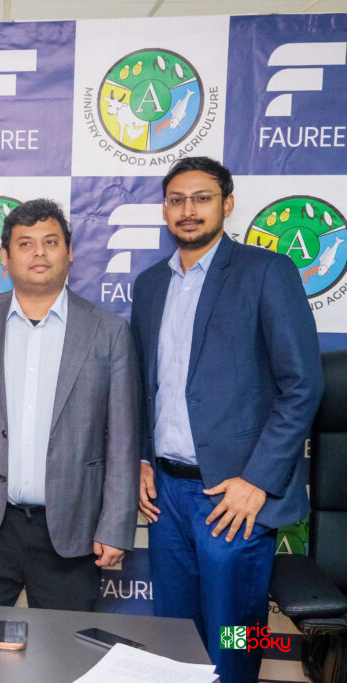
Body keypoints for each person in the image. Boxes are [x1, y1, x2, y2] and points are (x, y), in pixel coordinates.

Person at [130, 157, 323, 683]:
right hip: (167, 495)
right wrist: (143, 458)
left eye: (202, 198)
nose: (188, 210)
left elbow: (303, 385)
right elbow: (149, 386)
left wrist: (258, 481)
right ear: (164, 209)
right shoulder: (149, 285)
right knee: (177, 638)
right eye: (176, 200)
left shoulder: (266, 272)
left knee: (236, 635)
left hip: (233, 495)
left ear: (227, 204)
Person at [0, 198, 140, 610]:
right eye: (25, 244)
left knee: (66, 644)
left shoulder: (108, 332)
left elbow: (123, 441)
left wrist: (115, 526)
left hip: (72, 529)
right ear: (5, 258)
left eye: (51, 242)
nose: (39, 252)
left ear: (70, 252)